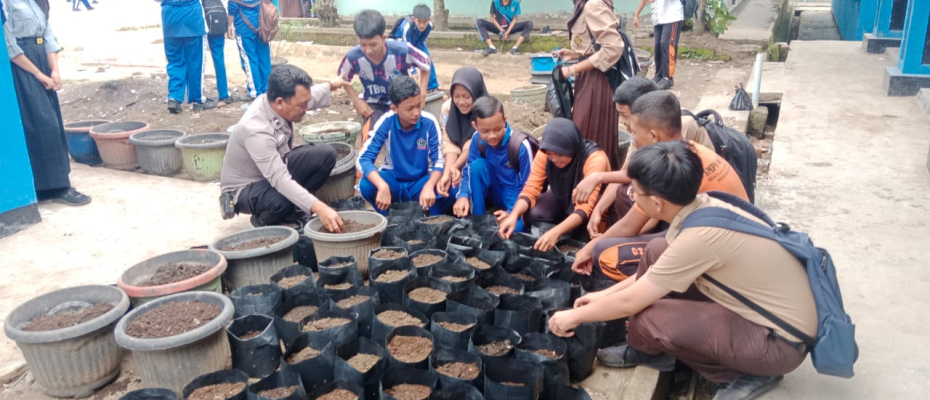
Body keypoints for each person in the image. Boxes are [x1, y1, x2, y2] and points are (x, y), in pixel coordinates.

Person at [549, 141, 816, 400]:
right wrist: (600, 298)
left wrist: (573, 317)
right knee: (655, 249)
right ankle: (656, 348)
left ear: (655, 202)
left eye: (635, 192)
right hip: (763, 308)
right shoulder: (701, 205)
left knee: (649, 318)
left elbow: (632, 301)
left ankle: (745, 373)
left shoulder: (699, 237)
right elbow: (658, 270)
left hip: (780, 342)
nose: (632, 197)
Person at [571, 91, 747, 283]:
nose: (633, 139)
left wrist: (589, 248)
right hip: (730, 235)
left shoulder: (666, 169)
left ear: (654, 136)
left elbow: (630, 226)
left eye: (634, 133)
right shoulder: (692, 151)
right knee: (627, 199)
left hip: (720, 254)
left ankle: (674, 289)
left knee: (605, 254)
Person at [581, 76, 715, 236]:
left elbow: (660, 192)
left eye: (624, 115)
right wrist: (598, 209)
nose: (623, 122)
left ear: (644, 109)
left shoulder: (674, 129)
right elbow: (626, 173)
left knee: (632, 194)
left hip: (699, 210)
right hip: (674, 194)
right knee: (625, 192)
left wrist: (623, 237)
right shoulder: (643, 131)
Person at [220, 65, 346, 232]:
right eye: (302, 105)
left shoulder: (277, 102)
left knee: (326, 154)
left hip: (272, 171)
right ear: (280, 102)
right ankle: (264, 221)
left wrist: (331, 85)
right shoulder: (256, 130)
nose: (306, 109)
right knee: (281, 200)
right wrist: (321, 208)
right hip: (244, 189)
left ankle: (298, 207)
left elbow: (308, 97)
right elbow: (280, 179)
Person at [3, 0, 90, 206]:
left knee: (52, 122)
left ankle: (54, 182)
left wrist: (54, 70)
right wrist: (38, 74)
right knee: (41, 124)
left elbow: (48, 36)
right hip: (23, 66)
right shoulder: (6, 4)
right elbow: (9, 45)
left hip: (42, 58)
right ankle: (56, 186)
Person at [498, 118, 609, 251]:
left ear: (572, 147)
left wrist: (555, 232)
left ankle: (578, 235)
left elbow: (585, 208)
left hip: (594, 206)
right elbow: (531, 189)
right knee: (532, 214)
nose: (554, 159)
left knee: (588, 237)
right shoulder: (545, 152)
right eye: (550, 154)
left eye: (560, 154)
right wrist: (513, 216)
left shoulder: (595, 159)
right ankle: (564, 229)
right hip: (563, 195)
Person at [357, 76, 454, 216]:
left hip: (420, 182)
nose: (416, 112)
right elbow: (363, 159)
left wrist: (429, 185)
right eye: (410, 108)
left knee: (449, 187)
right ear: (394, 109)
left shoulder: (429, 122)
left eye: (419, 105)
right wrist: (382, 185)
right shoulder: (386, 122)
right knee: (366, 185)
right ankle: (389, 219)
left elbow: (438, 160)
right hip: (394, 182)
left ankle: (430, 218)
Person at [338, 9, 432, 149]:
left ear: (383, 38)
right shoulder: (353, 57)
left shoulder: (402, 51)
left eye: (373, 44)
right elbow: (342, 78)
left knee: (412, 144)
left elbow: (426, 63)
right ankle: (365, 170)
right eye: (363, 45)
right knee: (368, 145)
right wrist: (356, 101)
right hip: (374, 106)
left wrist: (422, 94)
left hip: (402, 104)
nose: (368, 50)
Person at [554, 0, 625, 170]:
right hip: (589, 78)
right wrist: (574, 53)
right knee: (589, 133)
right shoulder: (584, 4)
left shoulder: (593, 5)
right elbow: (595, 44)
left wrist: (573, 69)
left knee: (589, 134)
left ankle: (596, 185)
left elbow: (613, 48)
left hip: (598, 82)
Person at [452, 96, 532, 233]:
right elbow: (468, 170)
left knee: (511, 231)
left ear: (504, 121)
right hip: (494, 190)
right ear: (475, 126)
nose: (492, 136)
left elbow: (529, 185)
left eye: (497, 129)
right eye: (485, 131)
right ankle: (479, 219)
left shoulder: (519, 146)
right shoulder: (476, 139)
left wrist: (513, 212)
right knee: (477, 166)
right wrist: (463, 195)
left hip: (516, 194)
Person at [436, 67, 489, 198]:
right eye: (456, 96)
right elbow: (449, 141)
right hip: (455, 161)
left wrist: (455, 167)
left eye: (466, 96)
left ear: (475, 93)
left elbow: (473, 145)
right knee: (441, 187)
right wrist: (448, 174)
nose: (461, 102)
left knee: (461, 189)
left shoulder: (486, 111)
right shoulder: (447, 108)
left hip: (479, 163)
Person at [160, 0, 215, 113]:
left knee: (175, 61)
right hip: (192, 19)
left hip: (170, 20)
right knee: (196, 63)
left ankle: (174, 98)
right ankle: (198, 100)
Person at [633, 0, 683, 89]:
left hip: (672, 17)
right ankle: (659, 75)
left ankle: (668, 78)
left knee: (666, 44)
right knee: (658, 46)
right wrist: (636, 15)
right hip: (658, 19)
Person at [390, 4, 439, 92]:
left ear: (429, 20)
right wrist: (413, 71)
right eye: (419, 21)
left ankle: (431, 87)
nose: (422, 25)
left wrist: (421, 56)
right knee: (402, 66)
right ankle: (403, 89)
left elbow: (420, 42)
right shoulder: (406, 27)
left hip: (415, 41)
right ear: (414, 19)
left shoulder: (429, 26)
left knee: (427, 59)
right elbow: (407, 49)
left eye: (425, 22)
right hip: (400, 43)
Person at [228, 0, 272, 99]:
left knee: (249, 60)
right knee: (264, 59)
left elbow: (233, 6)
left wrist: (229, 25)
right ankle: (266, 90)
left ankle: (255, 92)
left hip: (244, 28)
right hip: (262, 26)